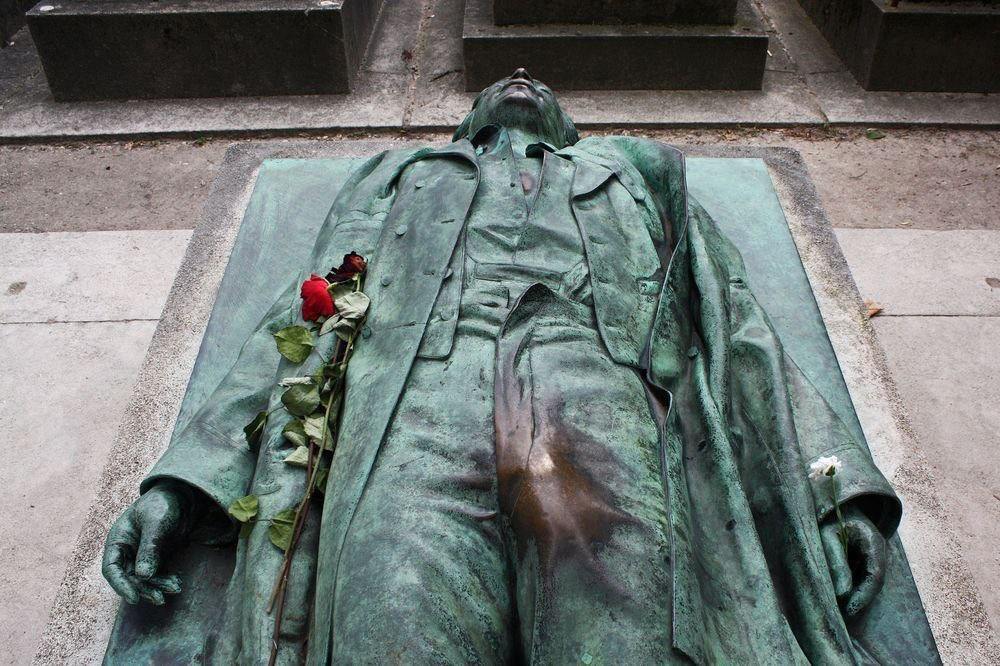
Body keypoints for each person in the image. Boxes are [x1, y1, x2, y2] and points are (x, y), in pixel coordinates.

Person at [103, 69, 910, 664]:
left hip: (596, 395)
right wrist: (186, 480)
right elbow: (305, 313)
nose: (521, 77)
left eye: (542, 85)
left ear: (570, 127)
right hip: (417, 402)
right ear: (465, 123)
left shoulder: (636, 176)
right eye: (497, 84)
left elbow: (738, 325)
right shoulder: (405, 178)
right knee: (391, 622)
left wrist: (834, 491)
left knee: (629, 638)